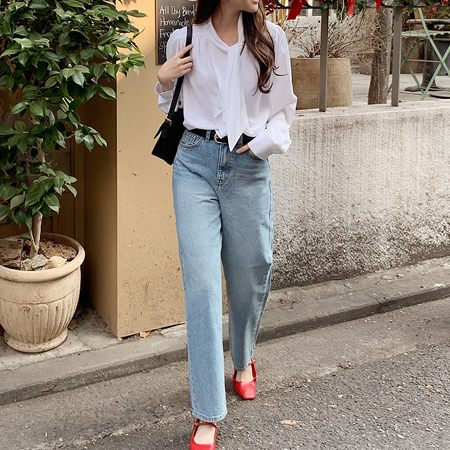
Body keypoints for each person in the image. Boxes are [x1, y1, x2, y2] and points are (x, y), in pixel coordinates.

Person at [155, 0, 296, 448]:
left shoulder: (271, 40)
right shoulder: (185, 39)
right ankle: (207, 411)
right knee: (202, 286)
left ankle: (244, 357)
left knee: (252, 273)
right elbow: (170, 103)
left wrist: (263, 144)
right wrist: (163, 78)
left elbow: (284, 109)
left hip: (247, 166)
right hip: (194, 163)